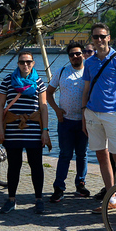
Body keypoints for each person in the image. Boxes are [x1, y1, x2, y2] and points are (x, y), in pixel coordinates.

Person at [81, 23, 116, 213]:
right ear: (92, 39)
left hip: (113, 114)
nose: (99, 40)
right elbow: (86, 90)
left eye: (102, 36)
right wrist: (84, 115)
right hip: (92, 113)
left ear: (109, 37)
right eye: (96, 37)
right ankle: (111, 198)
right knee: (102, 156)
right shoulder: (90, 62)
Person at [0, 51, 50, 214]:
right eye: (22, 62)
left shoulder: (39, 82)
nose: (25, 65)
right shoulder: (7, 81)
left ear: (33, 63)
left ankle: (39, 199)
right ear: (17, 64)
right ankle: (11, 199)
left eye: (28, 62)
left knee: (36, 165)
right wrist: (0, 127)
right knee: (14, 165)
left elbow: (43, 108)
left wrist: (45, 130)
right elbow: (0, 106)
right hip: (12, 129)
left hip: (33, 129)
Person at [46, 42, 90, 203]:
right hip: (65, 121)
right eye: (71, 54)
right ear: (69, 57)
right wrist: (57, 110)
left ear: (83, 54)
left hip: (84, 122)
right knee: (65, 154)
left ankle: (80, 183)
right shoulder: (62, 72)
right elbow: (48, 93)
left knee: (82, 154)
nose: (75, 56)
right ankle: (59, 187)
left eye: (78, 53)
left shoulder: (89, 72)